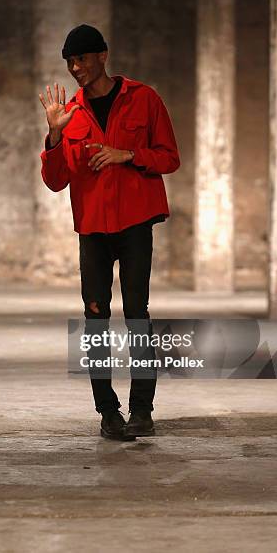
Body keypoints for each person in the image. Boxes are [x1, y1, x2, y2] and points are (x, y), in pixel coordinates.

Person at [39, 24, 180, 440]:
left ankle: (142, 410)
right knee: (95, 319)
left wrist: (128, 155)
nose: (75, 68)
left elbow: (169, 158)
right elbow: (55, 180)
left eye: (81, 59)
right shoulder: (71, 113)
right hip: (93, 229)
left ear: (102, 55)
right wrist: (54, 134)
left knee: (138, 315)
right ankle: (107, 412)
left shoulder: (144, 99)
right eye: (70, 62)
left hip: (135, 222)